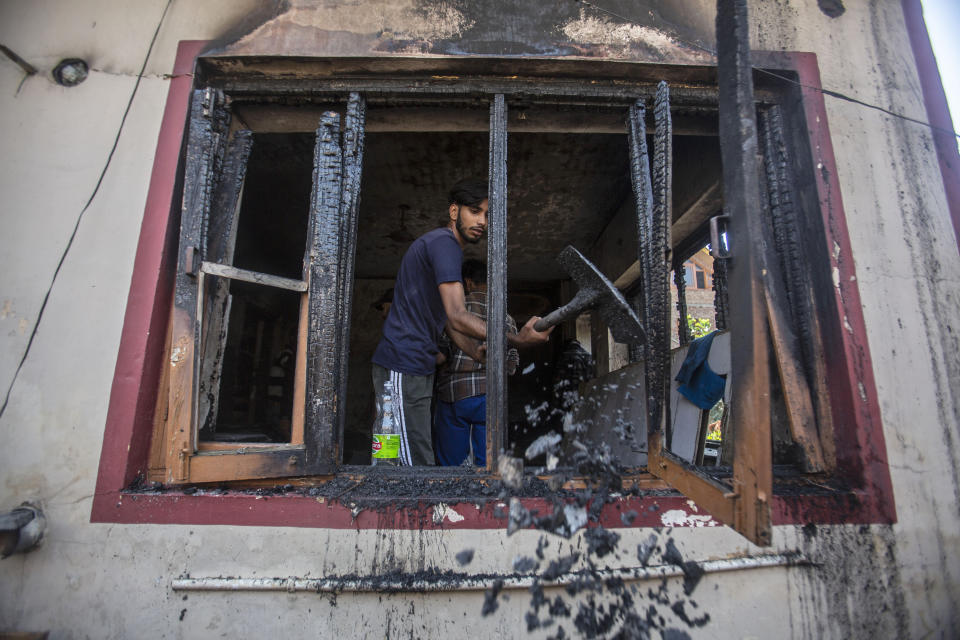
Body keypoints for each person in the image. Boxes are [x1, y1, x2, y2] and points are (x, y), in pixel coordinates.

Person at [371, 178, 553, 466]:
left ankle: (391, 495)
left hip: (411, 364)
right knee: (406, 456)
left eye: (486, 215)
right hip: (402, 363)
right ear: (454, 212)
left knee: (395, 445)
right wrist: (516, 338)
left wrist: (472, 351)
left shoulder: (442, 248)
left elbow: (448, 322)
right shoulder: (445, 244)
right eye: (474, 211)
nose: (481, 221)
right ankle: (404, 506)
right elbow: (458, 314)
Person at [434, 260, 519, 466]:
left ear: (468, 282)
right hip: (491, 396)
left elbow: (441, 355)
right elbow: (512, 363)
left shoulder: (456, 312)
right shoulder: (506, 317)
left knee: (452, 462)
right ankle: (485, 495)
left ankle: (451, 497)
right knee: (488, 463)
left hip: (456, 394)